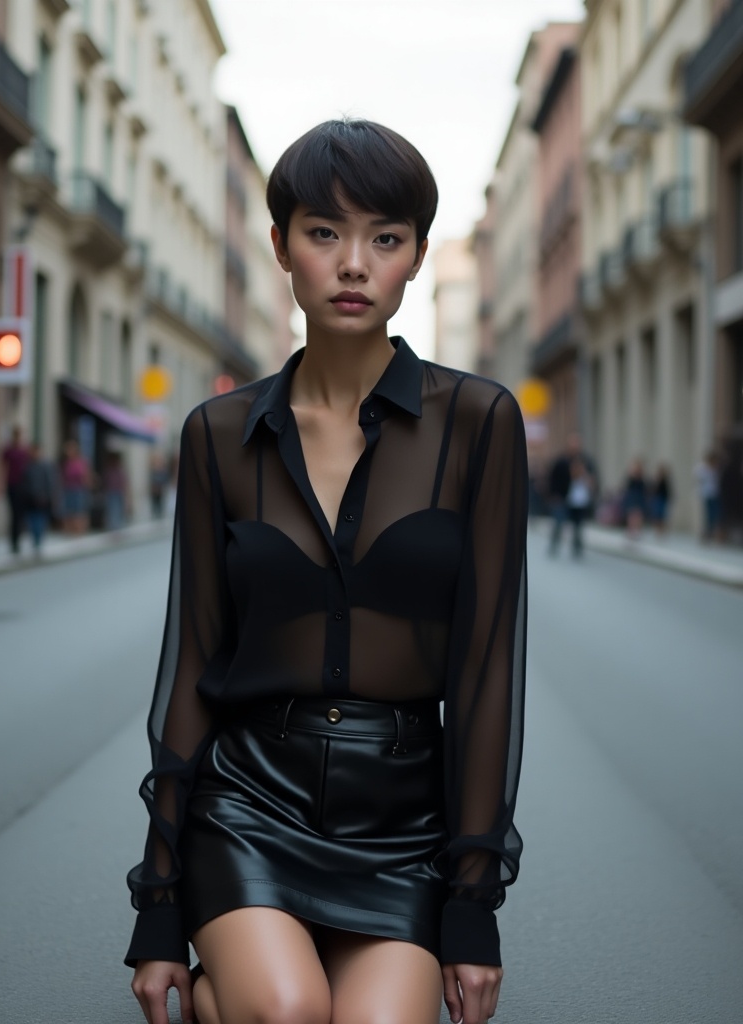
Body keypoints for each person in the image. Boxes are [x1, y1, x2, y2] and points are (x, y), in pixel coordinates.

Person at [126, 119, 527, 1024]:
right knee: (290, 1008)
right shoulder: (217, 436)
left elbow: (486, 669)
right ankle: (235, 972)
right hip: (249, 800)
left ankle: (223, 994)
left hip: (403, 824)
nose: (353, 264)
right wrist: (157, 906)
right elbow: (192, 662)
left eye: (385, 238)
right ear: (281, 247)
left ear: (417, 257)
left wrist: (472, 907)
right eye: (323, 233)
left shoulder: (479, 422)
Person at [547, 432, 595, 557]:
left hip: (579, 498)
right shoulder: (561, 461)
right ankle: (554, 545)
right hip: (562, 497)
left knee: (578, 525)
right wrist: (553, 495)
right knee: (558, 522)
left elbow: (593, 478)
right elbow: (553, 479)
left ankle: (577, 548)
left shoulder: (586, 461)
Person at [23, 443, 60, 554]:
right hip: (30, 497)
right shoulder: (28, 466)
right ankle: (35, 540)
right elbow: (24, 482)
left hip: (43, 498)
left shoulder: (46, 465)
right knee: (32, 520)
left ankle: (39, 540)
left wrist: (50, 495)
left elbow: (50, 482)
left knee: (40, 520)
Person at [0, 426, 30, 555]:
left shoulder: (25, 451)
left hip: (23, 485)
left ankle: (19, 538)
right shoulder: (8, 450)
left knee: (20, 514)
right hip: (12, 484)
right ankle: (13, 541)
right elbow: (1, 467)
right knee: (13, 514)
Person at [60, 439, 92, 534]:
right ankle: (70, 531)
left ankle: (79, 531)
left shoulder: (81, 462)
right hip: (68, 489)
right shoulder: (66, 463)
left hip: (79, 489)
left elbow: (86, 475)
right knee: (69, 511)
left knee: (79, 511)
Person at [694, 450, 721, 543]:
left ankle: (710, 533)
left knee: (714, 515)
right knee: (708, 515)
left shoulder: (716, 468)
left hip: (715, 494)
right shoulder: (702, 467)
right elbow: (698, 477)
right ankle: (706, 534)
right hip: (706, 494)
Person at [622, 457, 648, 539]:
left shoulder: (641, 478)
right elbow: (627, 487)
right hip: (632, 498)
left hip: (639, 498)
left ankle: (637, 531)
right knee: (631, 515)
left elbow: (644, 488)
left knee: (638, 515)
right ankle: (630, 531)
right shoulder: (631, 477)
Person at [103, 451, 128, 531]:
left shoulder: (119, 470)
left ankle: (117, 526)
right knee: (112, 509)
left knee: (118, 509)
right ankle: (113, 526)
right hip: (111, 492)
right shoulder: (109, 470)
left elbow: (124, 482)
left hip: (118, 492)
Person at [649, 463, 673, 537]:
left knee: (662, 515)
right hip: (657, 499)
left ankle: (662, 530)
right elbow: (653, 489)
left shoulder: (665, 481)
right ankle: (658, 530)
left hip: (662, 499)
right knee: (657, 515)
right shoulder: (657, 480)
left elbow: (668, 491)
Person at [149, 452, 170, 519]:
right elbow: (151, 480)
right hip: (154, 490)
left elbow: (165, 479)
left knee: (160, 502)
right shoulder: (153, 470)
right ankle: (155, 513)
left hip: (160, 489)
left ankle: (159, 513)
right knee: (154, 501)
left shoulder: (163, 470)